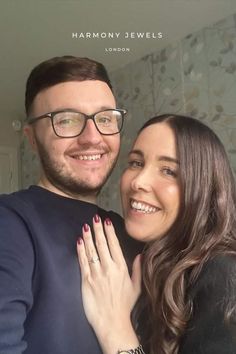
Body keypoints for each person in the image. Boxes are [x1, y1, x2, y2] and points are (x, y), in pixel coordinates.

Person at [0, 56, 142, 354]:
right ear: (33, 139)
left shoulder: (130, 231)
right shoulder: (10, 222)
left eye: (105, 119)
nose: (92, 138)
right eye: (66, 120)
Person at [77, 114, 236, 354]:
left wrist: (116, 327)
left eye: (169, 171)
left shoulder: (224, 275)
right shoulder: (147, 260)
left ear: (203, 187)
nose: (138, 181)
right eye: (136, 163)